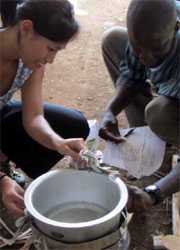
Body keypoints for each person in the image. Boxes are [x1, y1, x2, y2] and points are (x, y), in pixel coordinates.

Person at [0, 0, 89, 217]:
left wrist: (57, 142)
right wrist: (1, 181)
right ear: (26, 27)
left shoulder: (29, 61)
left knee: (72, 125)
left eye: (57, 51)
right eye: (50, 48)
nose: (50, 59)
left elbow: (34, 117)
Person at [99, 0, 180, 212]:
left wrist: (154, 193)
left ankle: (168, 136)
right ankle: (149, 140)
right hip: (169, 86)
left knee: (159, 114)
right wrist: (110, 111)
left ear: (176, 27)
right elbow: (132, 75)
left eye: (156, 49)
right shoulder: (150, 36)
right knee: (114, 39)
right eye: (137, 49)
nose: (145, 58)